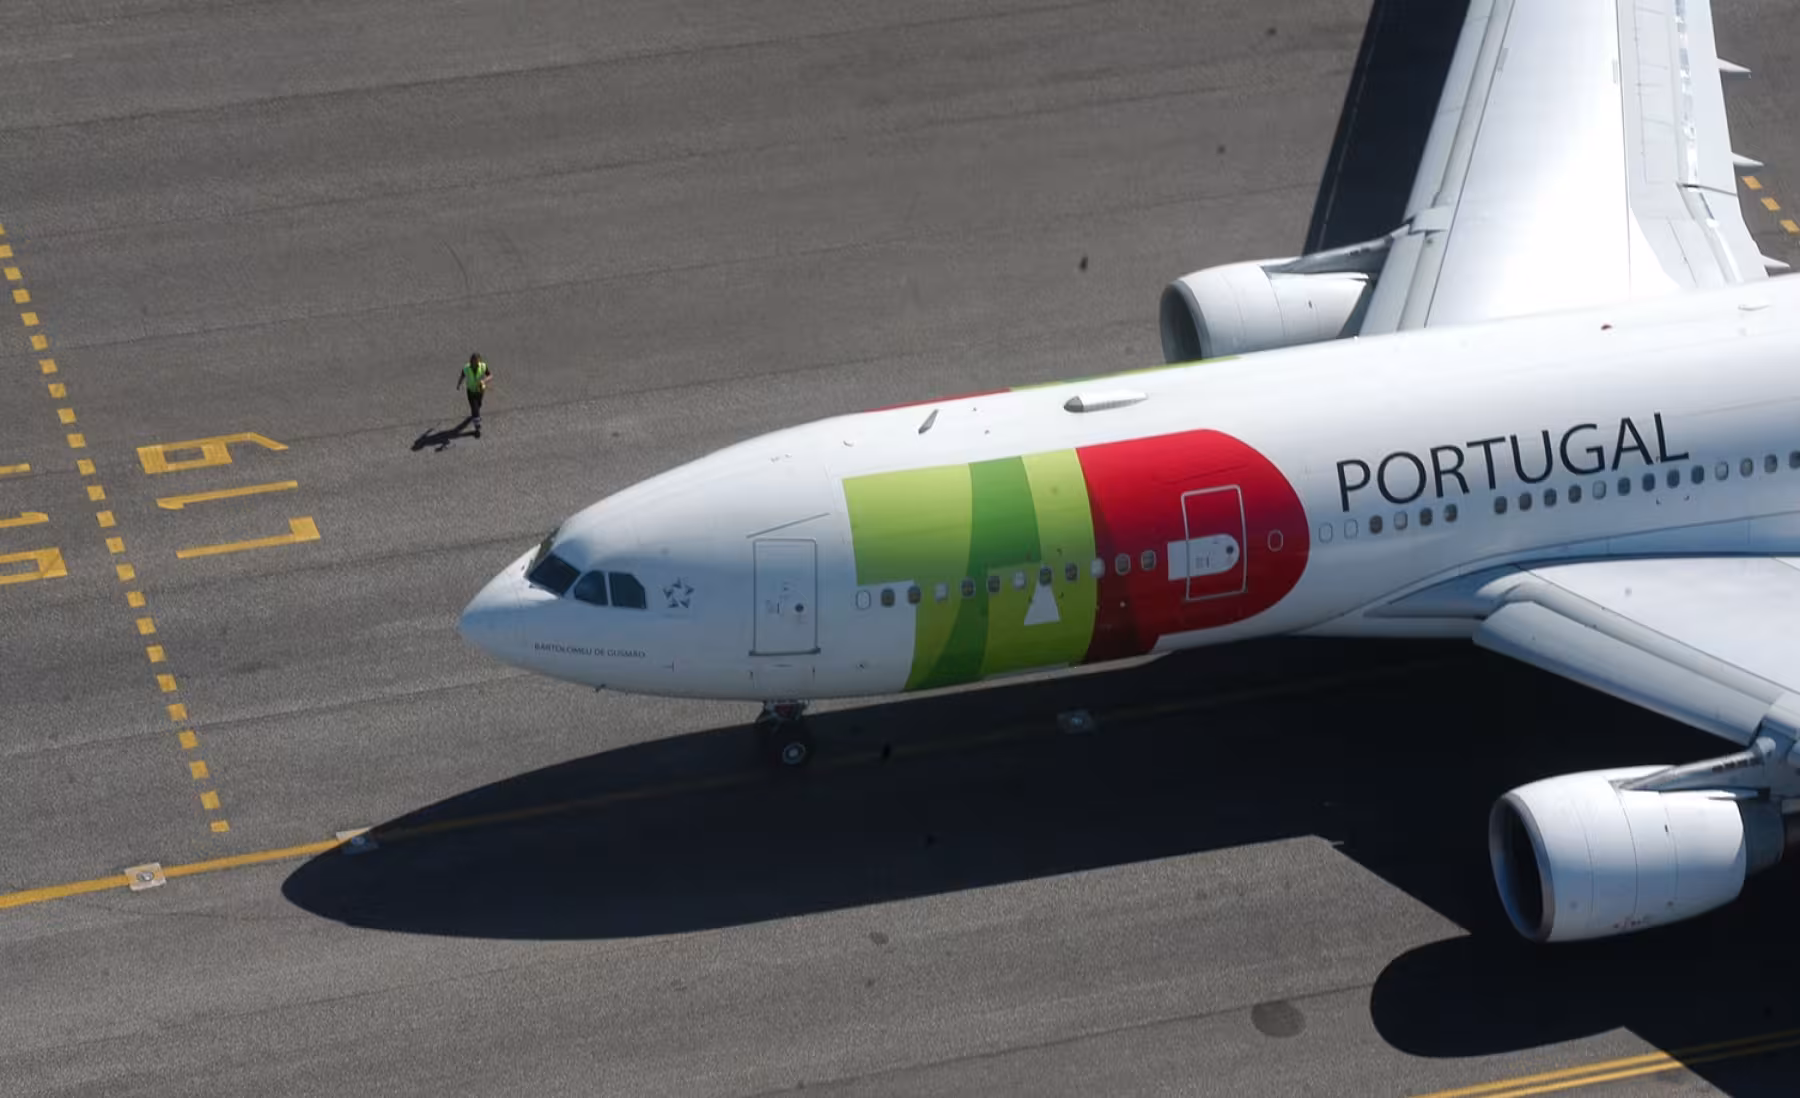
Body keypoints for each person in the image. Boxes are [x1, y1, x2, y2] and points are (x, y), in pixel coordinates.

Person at [458, 353, 491, 435]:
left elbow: (490, 375)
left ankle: (475, 416)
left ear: (479, 361)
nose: (474, 364)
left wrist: (484, 381)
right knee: (474, 408)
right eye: (472, 361)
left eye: (476, 362)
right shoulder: (466, 368)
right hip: (471, 391)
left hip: (480, 390)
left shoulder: (483, 366)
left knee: (478, 405)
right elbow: (462, 376)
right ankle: (477, 427)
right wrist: (459, 384)